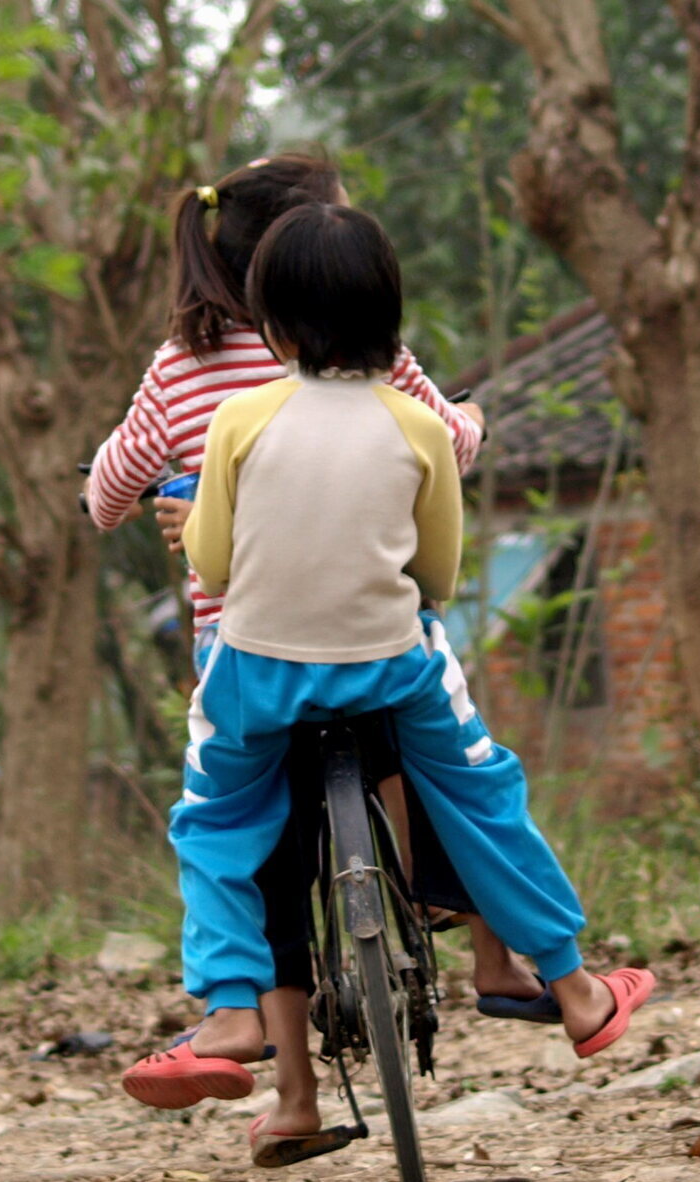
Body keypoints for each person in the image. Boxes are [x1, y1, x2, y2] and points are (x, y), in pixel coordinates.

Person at [121, 202, 654, 1111]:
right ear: (390, 317)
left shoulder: (239, 421)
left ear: (274, 324)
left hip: (257, 671)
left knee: (214, 820)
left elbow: (210, 559)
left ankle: (230, 1010)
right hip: (391, 667)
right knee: (482, 790)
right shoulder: (418, 426)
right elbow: (437, 567)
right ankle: (574, 988)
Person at [87, 156, 545, 1160]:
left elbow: (113, 487)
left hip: (246, 646)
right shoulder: (382, 359)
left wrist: (156, 501)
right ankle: (505, 953)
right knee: (460, 764)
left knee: (254, 842)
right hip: (382, 636)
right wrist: (468, 421)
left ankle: (287, 1085)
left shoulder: (180, 371)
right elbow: (446, 447)